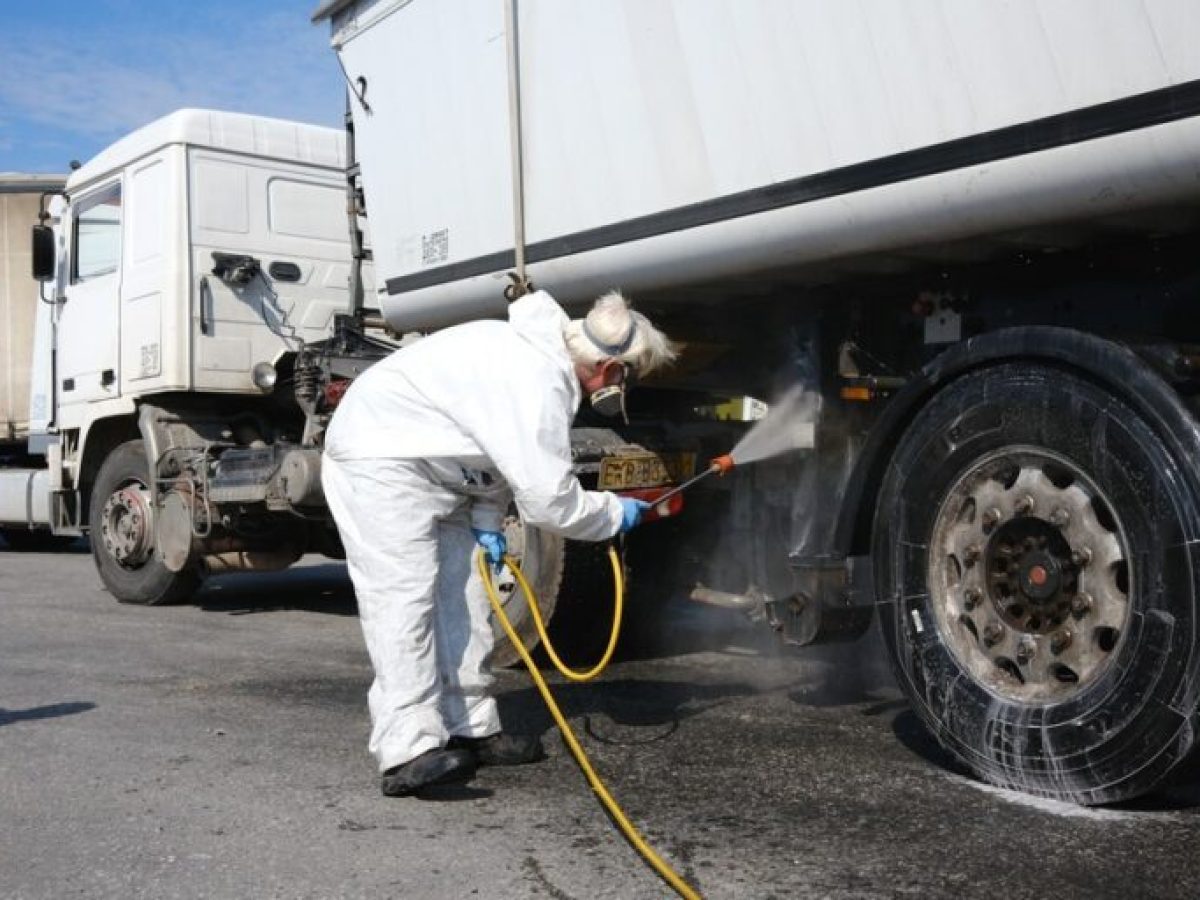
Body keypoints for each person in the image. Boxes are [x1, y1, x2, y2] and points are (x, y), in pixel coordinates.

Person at [321, 288, 677, 796]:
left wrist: (488, 517)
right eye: (627, 374)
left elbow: (496, 457)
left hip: (441, 469)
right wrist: (612, 513)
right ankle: (407, 749)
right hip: (380, 458)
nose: (624, 384)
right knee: (403, 598)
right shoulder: (539, 378)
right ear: (609, 368)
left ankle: (469, 727)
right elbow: (549, 502)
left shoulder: (540, 362)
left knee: (465, 599)